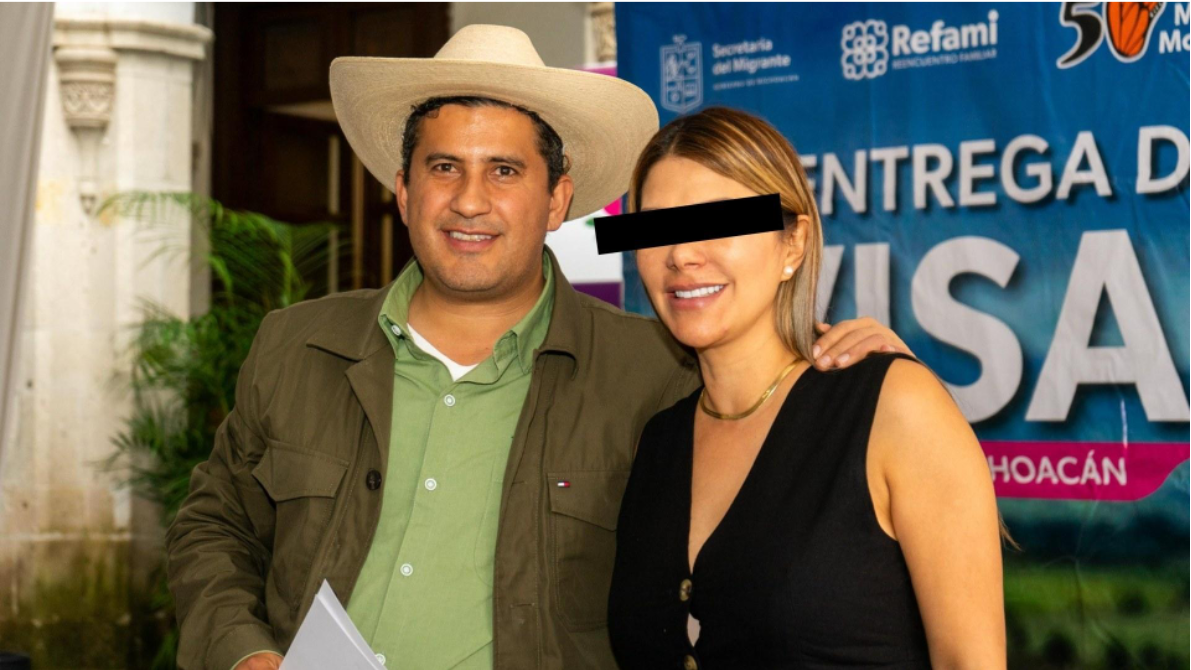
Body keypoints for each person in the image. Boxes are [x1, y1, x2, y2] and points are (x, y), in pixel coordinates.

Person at [165, 26, 911, 670]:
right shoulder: (295, 346)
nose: (469, 201)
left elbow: (775, 435)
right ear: (403, 190)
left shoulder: (659, 373)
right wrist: (244, 651)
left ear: (557, 200)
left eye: (505, 171)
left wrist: (843, 363)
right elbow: (213, 524)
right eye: (444, 167)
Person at [607, 107, 1006, 669]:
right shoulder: (658, 440)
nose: (682, 255)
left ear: (792, 245)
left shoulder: (894, 406)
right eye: (658, 228)